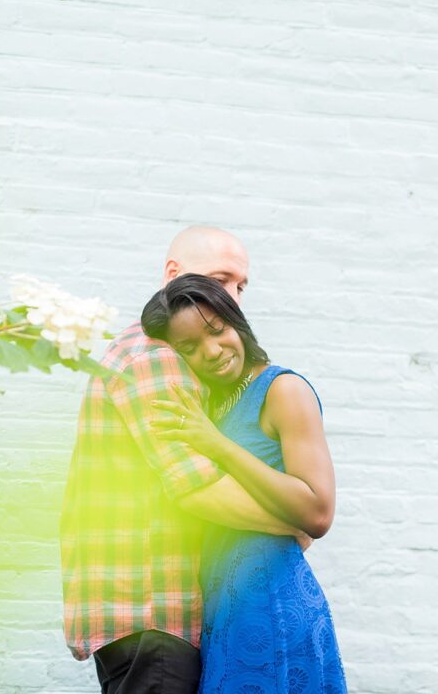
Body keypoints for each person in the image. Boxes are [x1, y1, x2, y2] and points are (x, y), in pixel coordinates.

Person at [60, 226, 308, 694]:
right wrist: (292, 524)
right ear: (174, 274)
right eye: (221, 277)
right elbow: (197, 487)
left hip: (151, 618)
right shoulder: (154, 358)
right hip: (152, 611)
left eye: (240, 286)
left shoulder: (166, 354)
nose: (231, 295)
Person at [140, 273, 346, 693]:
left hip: (272, 607)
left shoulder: (283, 390)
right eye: (190, 348)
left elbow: (318, 511)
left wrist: (215, 444)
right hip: (223, 611)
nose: (211, 351)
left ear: (238, 322)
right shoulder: (209, 403)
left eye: (217, 332)